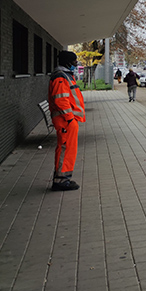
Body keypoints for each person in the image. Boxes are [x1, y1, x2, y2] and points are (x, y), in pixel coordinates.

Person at [48, 50, 85, 191]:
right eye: (74, 61)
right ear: (68, 62)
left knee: (68, 149)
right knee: (65, 148)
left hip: (67, 120)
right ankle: (61, 180)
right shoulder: (61, 77)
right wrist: (70, 119)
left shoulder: (64, 75)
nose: (76, 63)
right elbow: (60, 99)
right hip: (65, 120)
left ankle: (64, 178)